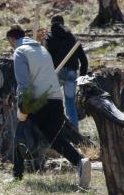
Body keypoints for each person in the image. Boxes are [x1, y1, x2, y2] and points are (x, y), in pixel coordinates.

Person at [7, 26, 91, 186]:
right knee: (55, 139)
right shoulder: (42, 50)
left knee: (19, 134)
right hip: (55, 99)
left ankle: (17, 175)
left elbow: (23, 83)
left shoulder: (20, 52)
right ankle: (80, 162)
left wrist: (22, 107)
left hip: (37, 100)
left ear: (12, 40)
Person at [45, 15, 88, 128]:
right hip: (71, 73)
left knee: (51, 102)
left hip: (55, 73)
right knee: (70, 104)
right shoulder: (72, 38)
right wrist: (82, 79)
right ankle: (74, 131)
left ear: (52, 24)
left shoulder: (49, 38)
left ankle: (53, 129)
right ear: (63, 23)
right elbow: (84, 60)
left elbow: (45, 58)